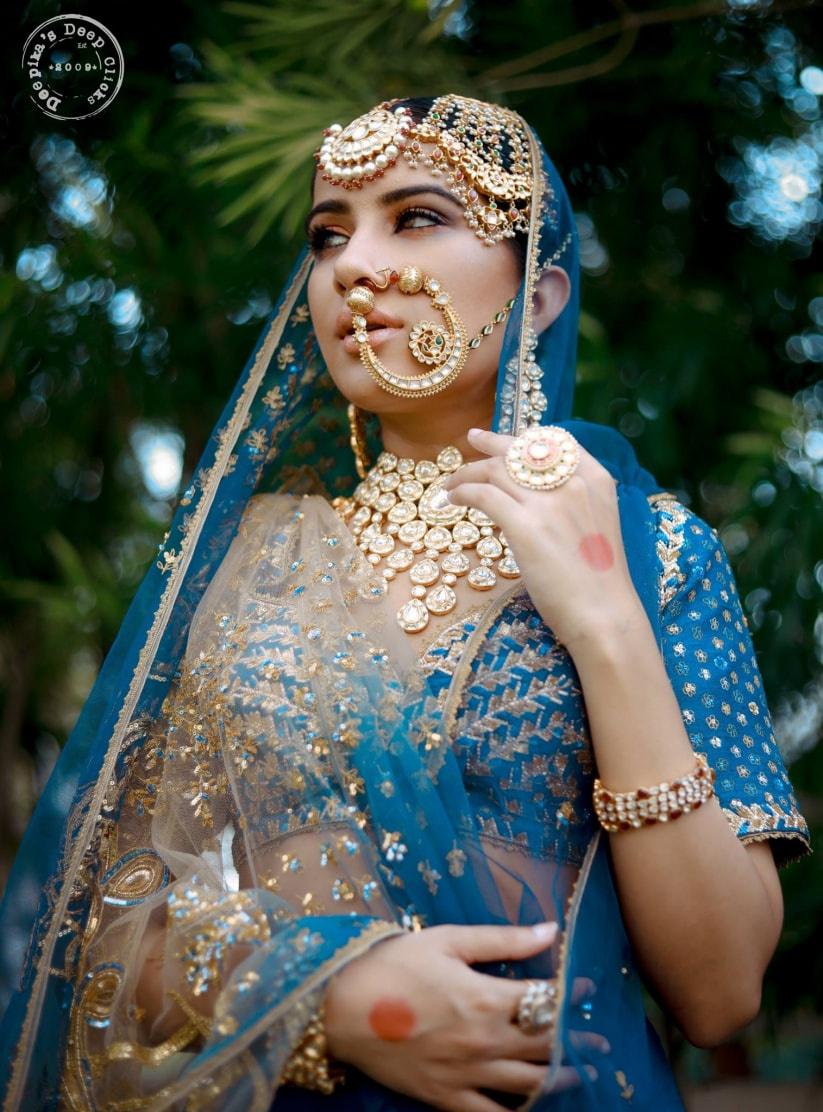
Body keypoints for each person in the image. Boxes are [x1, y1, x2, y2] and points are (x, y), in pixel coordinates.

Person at [0, 94, 810, 1112]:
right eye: (328, 233)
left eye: (416, 216)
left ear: (541, 292)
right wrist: (332, 998)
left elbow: (722, 990)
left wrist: (604, 622)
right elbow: (109, 930)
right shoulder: (253, 571)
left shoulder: (652, 552)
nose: (351, 265)